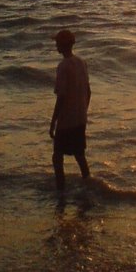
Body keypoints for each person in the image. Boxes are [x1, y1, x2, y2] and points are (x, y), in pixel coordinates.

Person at [49, 29, 91, 190]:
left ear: (62, 45)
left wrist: (53, 122)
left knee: (57, 157)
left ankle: (61, 190)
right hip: (80, 118)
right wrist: (83, 110)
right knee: (80, 155)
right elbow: (88, 91)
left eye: (57, 42)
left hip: (66, 120)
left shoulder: (63, 66)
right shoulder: (82, 62)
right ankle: (88, 184)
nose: (55, 45)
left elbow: (61, 97)